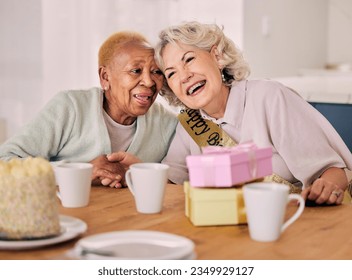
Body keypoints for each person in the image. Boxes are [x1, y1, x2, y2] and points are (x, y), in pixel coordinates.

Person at [153, 21, 352, 205]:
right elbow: (172, 182)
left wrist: (325, 189)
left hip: (293, 222)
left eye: (189, 59)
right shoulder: (189, 124)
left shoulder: (270, 97)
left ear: (217, 56)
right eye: (171, 73)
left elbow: (333, 172)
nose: (185, 76)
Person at [0, 31, 177, 188]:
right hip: (66, 218)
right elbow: (5, 161)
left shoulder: (167, 124)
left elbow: (185, 177)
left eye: (156, 72)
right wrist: (82, 172)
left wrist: (140, 172)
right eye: (136, 70)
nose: (149, 81)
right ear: (105, 77)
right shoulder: (70, 106)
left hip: (129, 219)